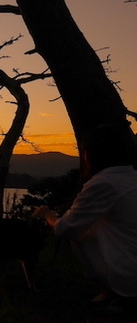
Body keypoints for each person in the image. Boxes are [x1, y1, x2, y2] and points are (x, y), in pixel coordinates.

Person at [34, 124, 137, 311]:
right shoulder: (130, 178)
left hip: (130, 278)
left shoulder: (103, 184)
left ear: (89, 155)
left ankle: (112, 294)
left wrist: (47, 215)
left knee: (77, 234)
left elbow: (64, 229)